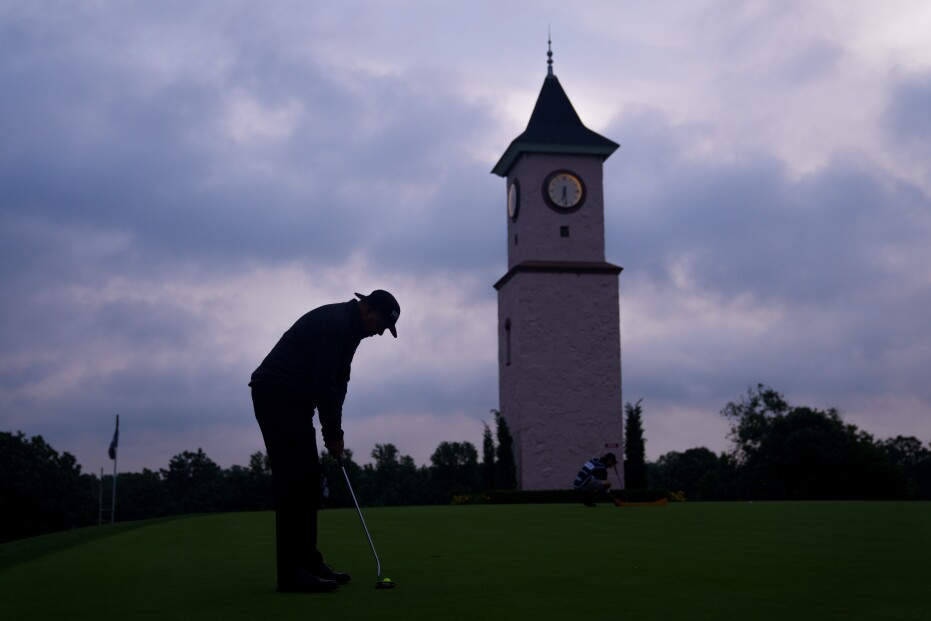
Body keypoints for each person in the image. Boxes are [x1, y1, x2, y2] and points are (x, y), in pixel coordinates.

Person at [249, 290, 401, 593]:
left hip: (293, 401)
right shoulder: (338, 325)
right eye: (382, 325)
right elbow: (323, 382)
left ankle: (308, 561)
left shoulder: (351, 331)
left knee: (308, 480)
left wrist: (335, 432)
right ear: (367, 310)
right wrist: (332, 433)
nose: (381, 333)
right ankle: (291, 574)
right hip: (276, 395)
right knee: (293, 483)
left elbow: (338, 383)